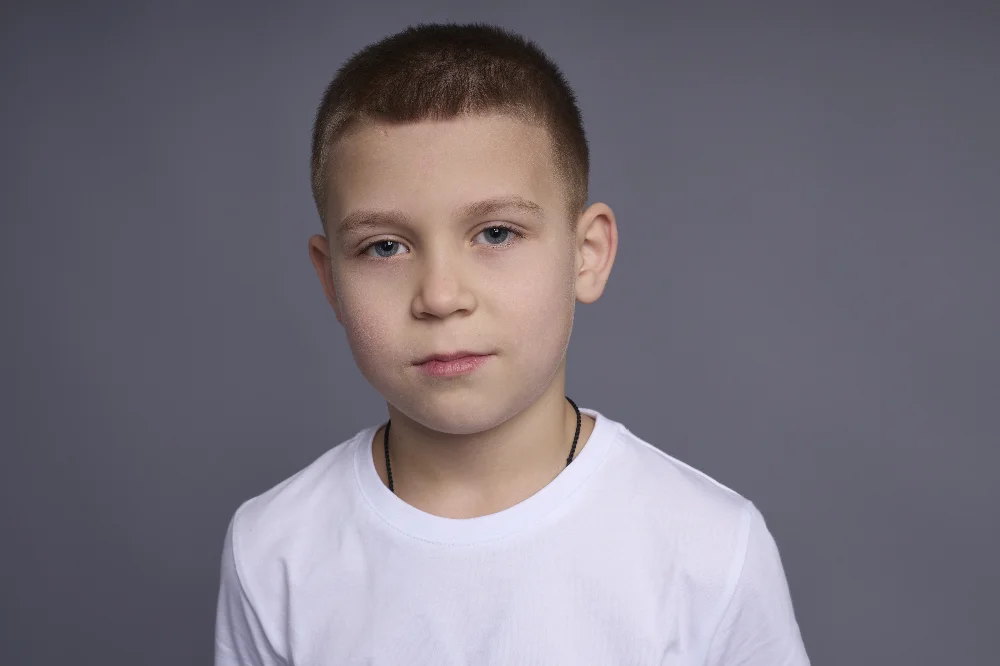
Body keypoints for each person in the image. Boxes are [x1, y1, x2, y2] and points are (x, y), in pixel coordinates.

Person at [213, 22, 810, 665]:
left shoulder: (710, 549)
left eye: (496, 234)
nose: (441, 296)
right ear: (331, 279)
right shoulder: (273, 551)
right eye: (385, 247)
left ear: (586, 255)